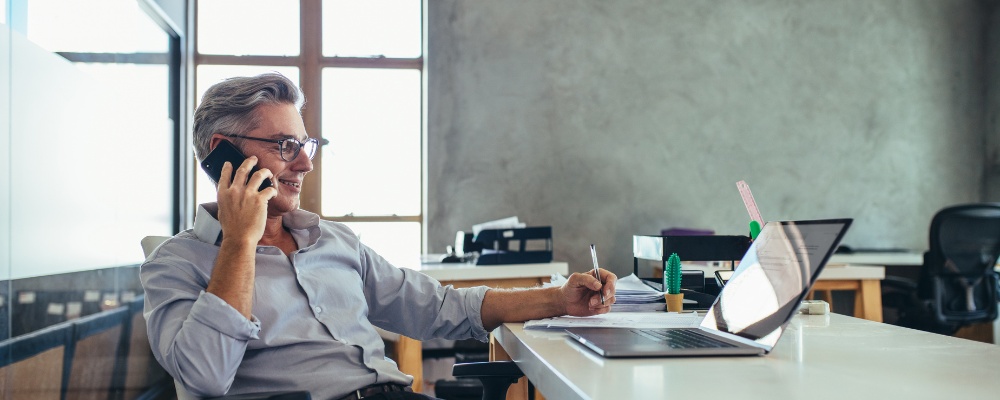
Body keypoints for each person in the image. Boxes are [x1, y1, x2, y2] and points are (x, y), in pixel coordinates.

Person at [140, 72, 618, 400]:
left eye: (305, 146)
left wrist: (561, 299)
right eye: (286, 146)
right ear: (223, 155)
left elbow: (442, 309)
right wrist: (241, 242)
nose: (305, 163)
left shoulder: (333, 242)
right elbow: (205, 375)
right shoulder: (176, 263)